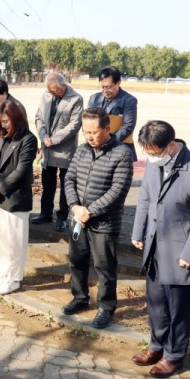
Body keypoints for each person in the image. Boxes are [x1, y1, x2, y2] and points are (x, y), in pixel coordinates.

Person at [130, 120, 190, 378]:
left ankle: (174, 355)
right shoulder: (153, 164)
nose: (150, 157)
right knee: (156, 302)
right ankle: (156, 346)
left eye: (154, 152)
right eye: (147, 152)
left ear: (171, 145)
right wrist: (138, 231)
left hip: (181, 251)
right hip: (155, 245)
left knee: (178, 308)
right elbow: (145, 197)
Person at [62, 108, 133, 329]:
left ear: (107, 128)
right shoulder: (82, 150)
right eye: (86, 132)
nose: (90, 136)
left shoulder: (121, 153)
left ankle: (106, 306)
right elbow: (69, 178)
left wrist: (89, 211)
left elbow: (117, 191)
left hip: (104, 222)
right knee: (77, 260)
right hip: (77, 218)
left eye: (94, 132)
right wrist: (75, 207)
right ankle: (80, 297)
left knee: (104, 265)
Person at [0, 100, 38, 295]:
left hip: (15, 198)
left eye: (6, 121)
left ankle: (14, 278)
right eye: (0, 121)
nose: (3, 125)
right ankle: (4, 272)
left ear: (16, 118)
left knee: (15, 241)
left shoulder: (28, 140)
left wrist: (0, 188)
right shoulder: (1, 135)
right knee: (2, 239)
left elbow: (21, 170)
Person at [32, 72, 83, 232]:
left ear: (63, 86)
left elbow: (74, 125)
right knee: (47, 183)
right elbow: (39, 117)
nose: (53, 94)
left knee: (66, 185)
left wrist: (53, 139)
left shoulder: (75, 99)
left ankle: (62, 217)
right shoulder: (46, 95)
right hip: (48, 149)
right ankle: (45, 213)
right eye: (50, 91)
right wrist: (44, 136)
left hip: (65, 149)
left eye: (55, 91)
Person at [88, 66, 138, 161]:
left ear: (118, 83)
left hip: (119, 149)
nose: (105, 90)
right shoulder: (94, 98)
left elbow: (128, 126)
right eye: (102, 87)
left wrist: (108, 142)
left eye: (108, 87)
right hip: (96, 148)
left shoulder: (129, 100)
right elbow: (88, 122)